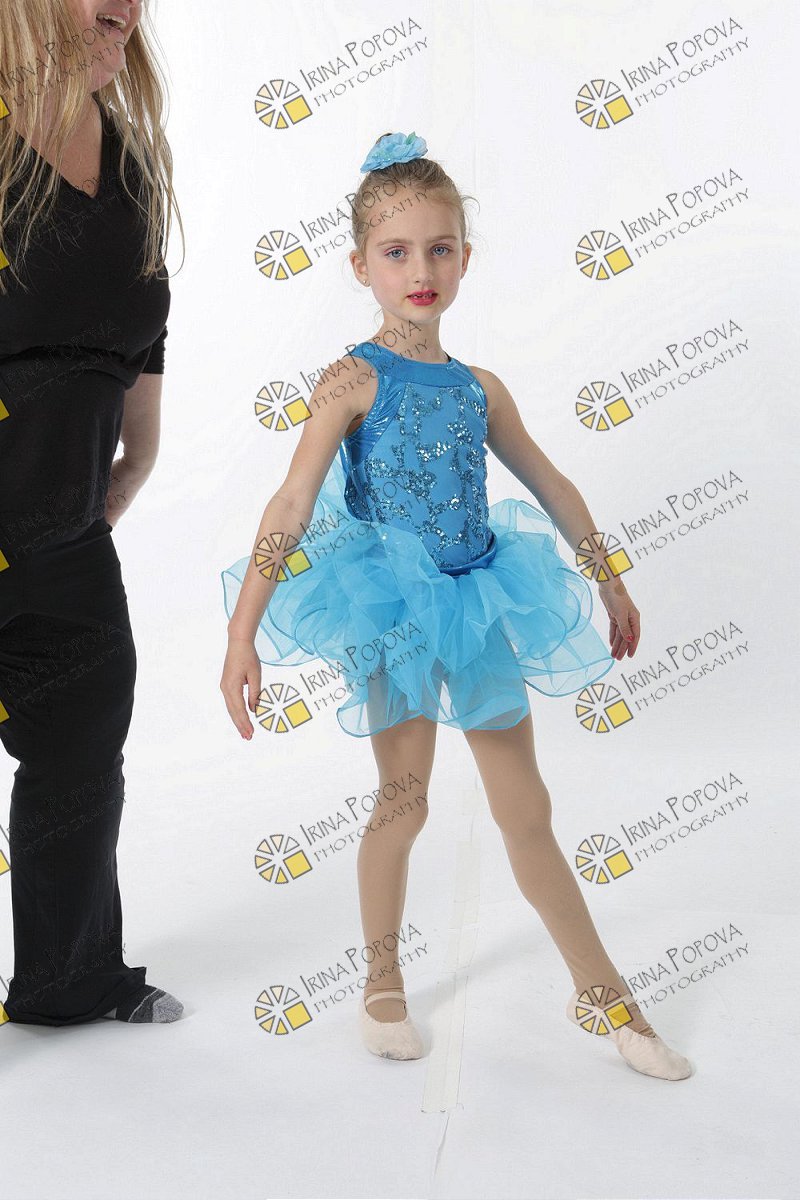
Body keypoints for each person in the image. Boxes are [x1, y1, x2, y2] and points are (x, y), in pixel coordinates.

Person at [220, 131, 692, 1081]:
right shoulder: (352, 379)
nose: (421, 271)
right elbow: (292, 501)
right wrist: (243, 633)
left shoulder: (481, 389)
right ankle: (381, 979)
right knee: (405, 803)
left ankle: (604, 993)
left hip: (479, 603)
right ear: (361, 266)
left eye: (440, 250)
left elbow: (552, 484)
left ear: (466, 259)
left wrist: (608, 575)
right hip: (391, 611)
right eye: (397, 253)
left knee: (527, 809)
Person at [0, 1, 183, 1025]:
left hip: (66, 534)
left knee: (80, 743)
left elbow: (144, 316)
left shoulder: (129, 164)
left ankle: (69, 981)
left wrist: (140, 453)